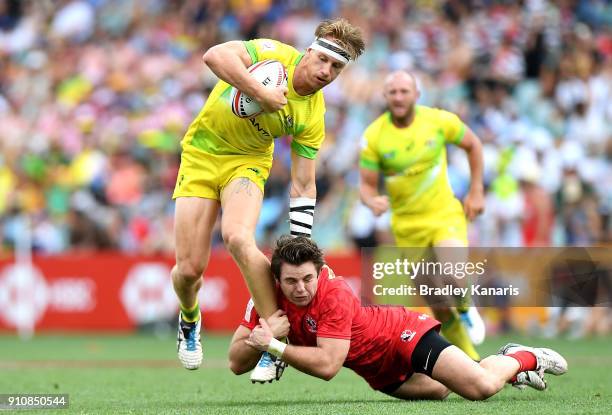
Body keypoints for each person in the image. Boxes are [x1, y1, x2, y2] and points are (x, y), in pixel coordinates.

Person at [171, 18, 365, 383]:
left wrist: (301, 242)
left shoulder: (313, 115)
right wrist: (258, 92)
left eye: (337, 67)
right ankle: (189, 317)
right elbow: (214, 56)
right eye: (323, 60)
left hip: (247, 164)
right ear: (309, 52)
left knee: (239, 238)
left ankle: (276, 336)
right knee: (189, 269)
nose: (326, 71)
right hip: (200, 154)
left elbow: (304, 185)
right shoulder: (274, 54)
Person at [229, 236, 568, 400]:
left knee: (478, 388)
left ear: (319, 273)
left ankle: (523, 357)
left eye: (307, 279)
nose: (300, 289)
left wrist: (272, 345)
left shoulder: (334, 293)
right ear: (277, 279)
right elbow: (235, 362)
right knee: (443, 391)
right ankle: (505, 368)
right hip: (379, 373)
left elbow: (329, 366)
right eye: (290, 281)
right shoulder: (265, 297)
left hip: (402, 336)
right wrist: (262, 340)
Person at [359, 71, 486, 360]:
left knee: (453, 273)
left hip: (443, 214)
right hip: (406, 226)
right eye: (393, 92)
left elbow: (473, 145)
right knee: (438, 302)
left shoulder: (439, 121)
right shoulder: (374, 136)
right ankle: (473, 361)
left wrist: (477, 190)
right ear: (385, 97)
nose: (399, 97)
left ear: (417, 94)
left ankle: (467, 308)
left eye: (405, 91)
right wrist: (371, 200)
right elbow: (365, 186)